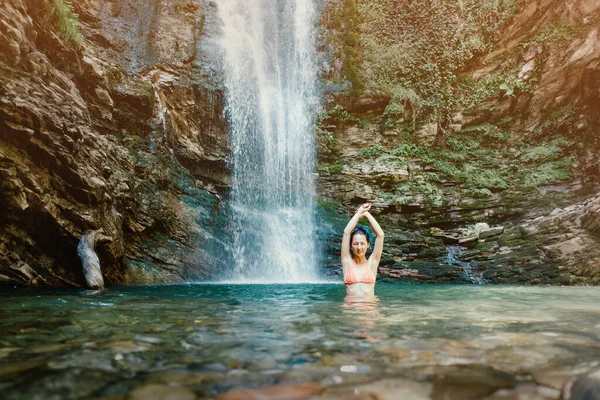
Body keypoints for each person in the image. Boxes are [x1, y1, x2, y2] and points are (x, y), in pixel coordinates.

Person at [341, 203, 384, 297]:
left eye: (362, 243)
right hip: (350, 310)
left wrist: (366, 214)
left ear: (368, 245)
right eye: (355, 244)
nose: (359, 247)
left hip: (369, 309)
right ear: (351, 245)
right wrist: (359, 211)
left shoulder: (372, 263)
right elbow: (346, 232)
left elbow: (380, 235)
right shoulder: (347, 262)